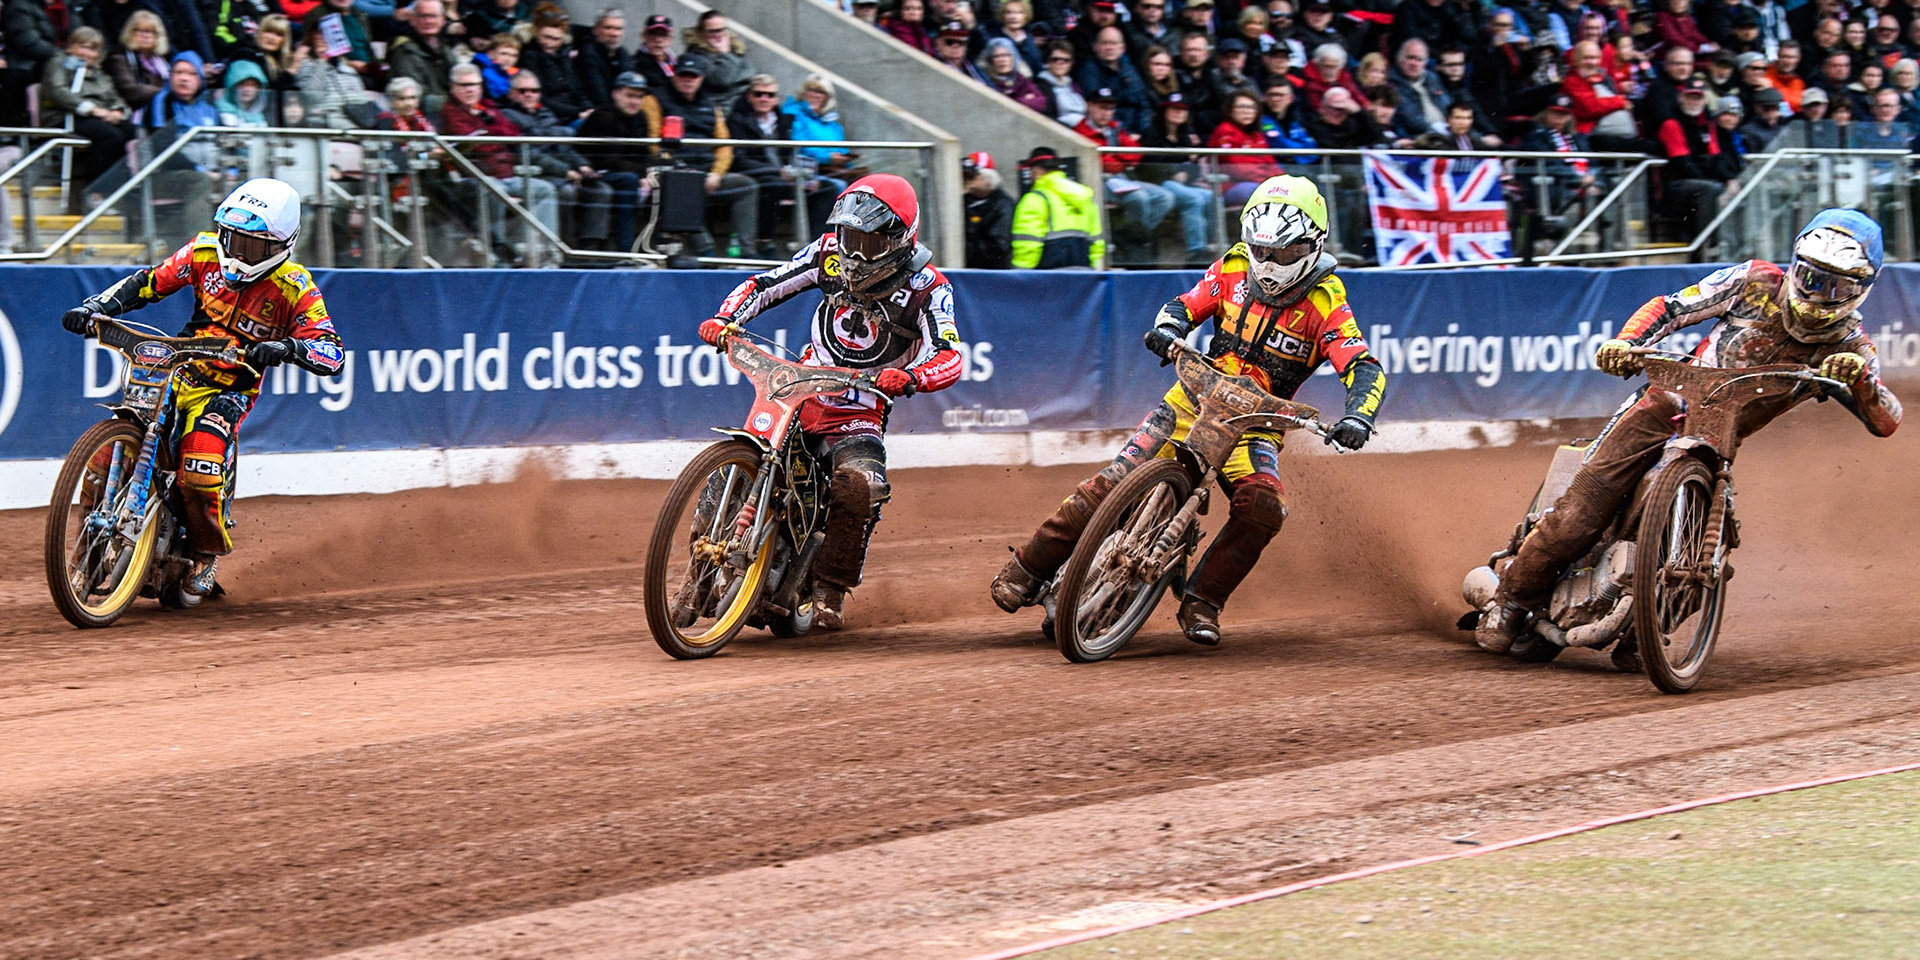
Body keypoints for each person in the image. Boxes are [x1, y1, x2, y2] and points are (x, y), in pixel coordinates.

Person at [1474, 210, 1903, 653]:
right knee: (1580, 514)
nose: (1818, 295)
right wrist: (1627, 342)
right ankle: (1511, 601)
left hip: (1720, 443)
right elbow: (1672, 306)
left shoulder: (1851, 347)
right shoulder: (1755, 282)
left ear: (1861, 290)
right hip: (1664, 405)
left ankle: (1650, 626)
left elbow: (1887, 418)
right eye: (1812, 278)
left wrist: (1859, 380)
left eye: (1836, 286)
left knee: (1713, 548)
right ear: (1795, 266)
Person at [991, 175, 1385, 645]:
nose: (1267, 262)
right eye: (1260, 249)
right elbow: (1184, 305)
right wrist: (1168, 328)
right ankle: (1027, 567)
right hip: (1191, 401)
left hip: (1255, 426)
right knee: (1112, 481)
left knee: (1264, 505)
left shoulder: (1326, 302)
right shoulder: (1233, 268)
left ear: (1311, 245)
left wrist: (1359, 416)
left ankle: (1204, 601)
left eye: (1280, 253)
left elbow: (1363, 368)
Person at [57, 179, 346, 598]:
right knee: (103, 457)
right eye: (231, 238)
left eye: (250, 246)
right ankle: (84, 553)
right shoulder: (202, 252)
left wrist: (287, 347)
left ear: (280, 246)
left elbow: (332, 352)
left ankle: (205, 555)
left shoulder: (295, 287)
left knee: (200, 465)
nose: (235, 252)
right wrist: (95, 308)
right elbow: (148, 283)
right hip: (177, 368)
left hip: (228, 389)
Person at [698, 174, 963, 629]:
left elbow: (951, 354)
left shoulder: (928, 286)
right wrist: (725, 319)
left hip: (861, 407)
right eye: (849, 238)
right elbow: (765, 285)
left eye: (869, 242)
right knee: (735, 463)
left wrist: (914, 376)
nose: (855, 254)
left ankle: (830, 588)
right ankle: (701, 555)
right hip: (801, 387)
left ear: (900, 239)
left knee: (858, 485)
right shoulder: (827, 254)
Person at [657, 53, 759, 259]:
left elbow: (724, 145)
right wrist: (679, 167)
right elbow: (652, 140)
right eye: (683, 75)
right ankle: (705, 251)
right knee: (684, 184)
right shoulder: (656, 100)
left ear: (701, 78)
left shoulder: (710, 104)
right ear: (674, 76)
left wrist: (716, 173)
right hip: (674, 171)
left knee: (747, 186)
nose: (688, 80)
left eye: (693, 76)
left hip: (708, 171)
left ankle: (746, 253)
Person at [501, 70, 615, 251]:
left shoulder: (547, 114)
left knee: (601, 191)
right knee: (566, 192)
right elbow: (527, 154)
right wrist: (564, 171)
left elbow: (565, 146)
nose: (529, 94)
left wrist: (582, 165)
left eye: (534, 90)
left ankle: (590, 248)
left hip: (566, 170)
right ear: (512, 93)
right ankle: (566, 246)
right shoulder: (507, 116)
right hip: (537, 173)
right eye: (523, 91)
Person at [40, 28, 138, 194]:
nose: (87, 53)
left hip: (100, 117)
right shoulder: (59, 63)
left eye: (93, 49)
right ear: (71, 47)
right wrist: (93, 110)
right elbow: (57, 91)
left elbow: (115, 98)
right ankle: (96, 190)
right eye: (83, 47)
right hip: (65, 115)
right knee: (110, 137)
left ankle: (122, 186)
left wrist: (118, 112)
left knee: (131, 131)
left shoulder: (99, 73)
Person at [575, 70, 657, 252]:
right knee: (628, 181)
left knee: (663, 179)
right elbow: (607, 159)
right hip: (594, 174)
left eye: (639, 97)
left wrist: (647, 173)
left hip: (627, 172)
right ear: (615, 94)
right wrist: (641, 175)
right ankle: (626, 249)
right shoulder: (602, 116)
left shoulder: (640, 117)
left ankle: (661, 246)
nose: (635, 101)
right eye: (629, 96)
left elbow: (644, 152)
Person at [1010, 144, 1102, 268]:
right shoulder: (1085, 197)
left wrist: (1020, 274)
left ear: (1037, 170)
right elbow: (1097, 243)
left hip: (1047, 277)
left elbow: (1028, 244)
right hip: (1082, 274)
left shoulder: (1035, 199)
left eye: (1031, 171)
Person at [387, 0, 456, 109]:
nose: (429, 21)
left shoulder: (445, 47)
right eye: (423, 16)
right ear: (413, 20)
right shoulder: (404, 51)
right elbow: (417, 96)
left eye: (433, 16)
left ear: (443, 19)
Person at [524, 11, 588, 121]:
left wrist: (589, 109)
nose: (550, 43)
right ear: (537, 33)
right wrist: (577, 112)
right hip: (552, 116)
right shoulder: (530, 57)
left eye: (556, 39)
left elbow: (579, 91)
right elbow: (541, 98)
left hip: (575, 112)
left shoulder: (565, 57)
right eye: (546, 37)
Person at [683, 10, 751, 111]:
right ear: (701, 33)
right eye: (712, 31)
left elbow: (750, 73)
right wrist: (725, 54)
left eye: (721, 30)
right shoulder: (697, 55)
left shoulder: (734, 48)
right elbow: (721, 80)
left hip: (744, 103)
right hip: (722, 109)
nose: (718, 35)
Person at [107, 11, 171, 113]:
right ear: (130, 33)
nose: (146, 36)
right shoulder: (119, 58)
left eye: (151, 32)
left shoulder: (161, 61)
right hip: (134, 112)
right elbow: (130, 90)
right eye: (141, 31)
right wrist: (167, 93)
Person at [575, 7, 635, 109]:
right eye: (608, 28)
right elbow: (598, 96)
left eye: (618, 29)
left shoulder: (622, 53)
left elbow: (631, 85)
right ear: (596, 30)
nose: (614, 34)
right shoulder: (588, 53)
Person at [962, 150, 1013, 268]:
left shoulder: (1001, 205)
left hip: (990, 272)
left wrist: (965, 246)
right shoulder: (964, 201)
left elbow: (998, 247)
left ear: (988, 179)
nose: (966, 181)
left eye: (971, 176)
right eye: (964, 176)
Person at [1036, 40, 1086, 127]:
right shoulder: (1040, 85)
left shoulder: (1074, 85)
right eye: (1055, 59)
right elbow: (1048, 118)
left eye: (1066, 60)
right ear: (1048, 61)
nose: (1060, 63)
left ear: (1070, 64)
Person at [634, 13, 677, 89]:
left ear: (670, 39)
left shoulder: (676, 63)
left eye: (663, 35)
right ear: (644, 36)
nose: (658, 40)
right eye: (653, 34)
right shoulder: (636, 64)